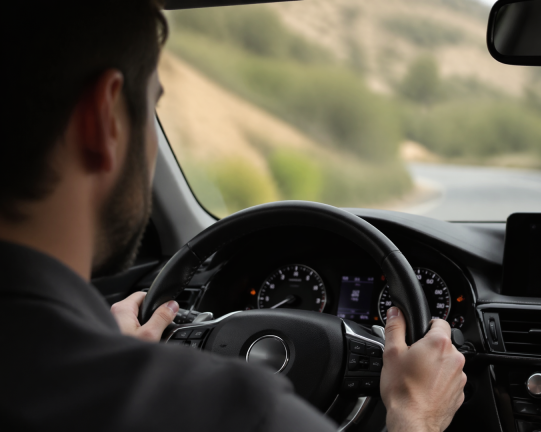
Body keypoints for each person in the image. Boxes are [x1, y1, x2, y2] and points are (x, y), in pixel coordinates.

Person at [0, 1, 466, 431]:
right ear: (103, 122)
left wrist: (113, 355)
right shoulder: (237, 412)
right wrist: (416, 414)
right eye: (151, 107)